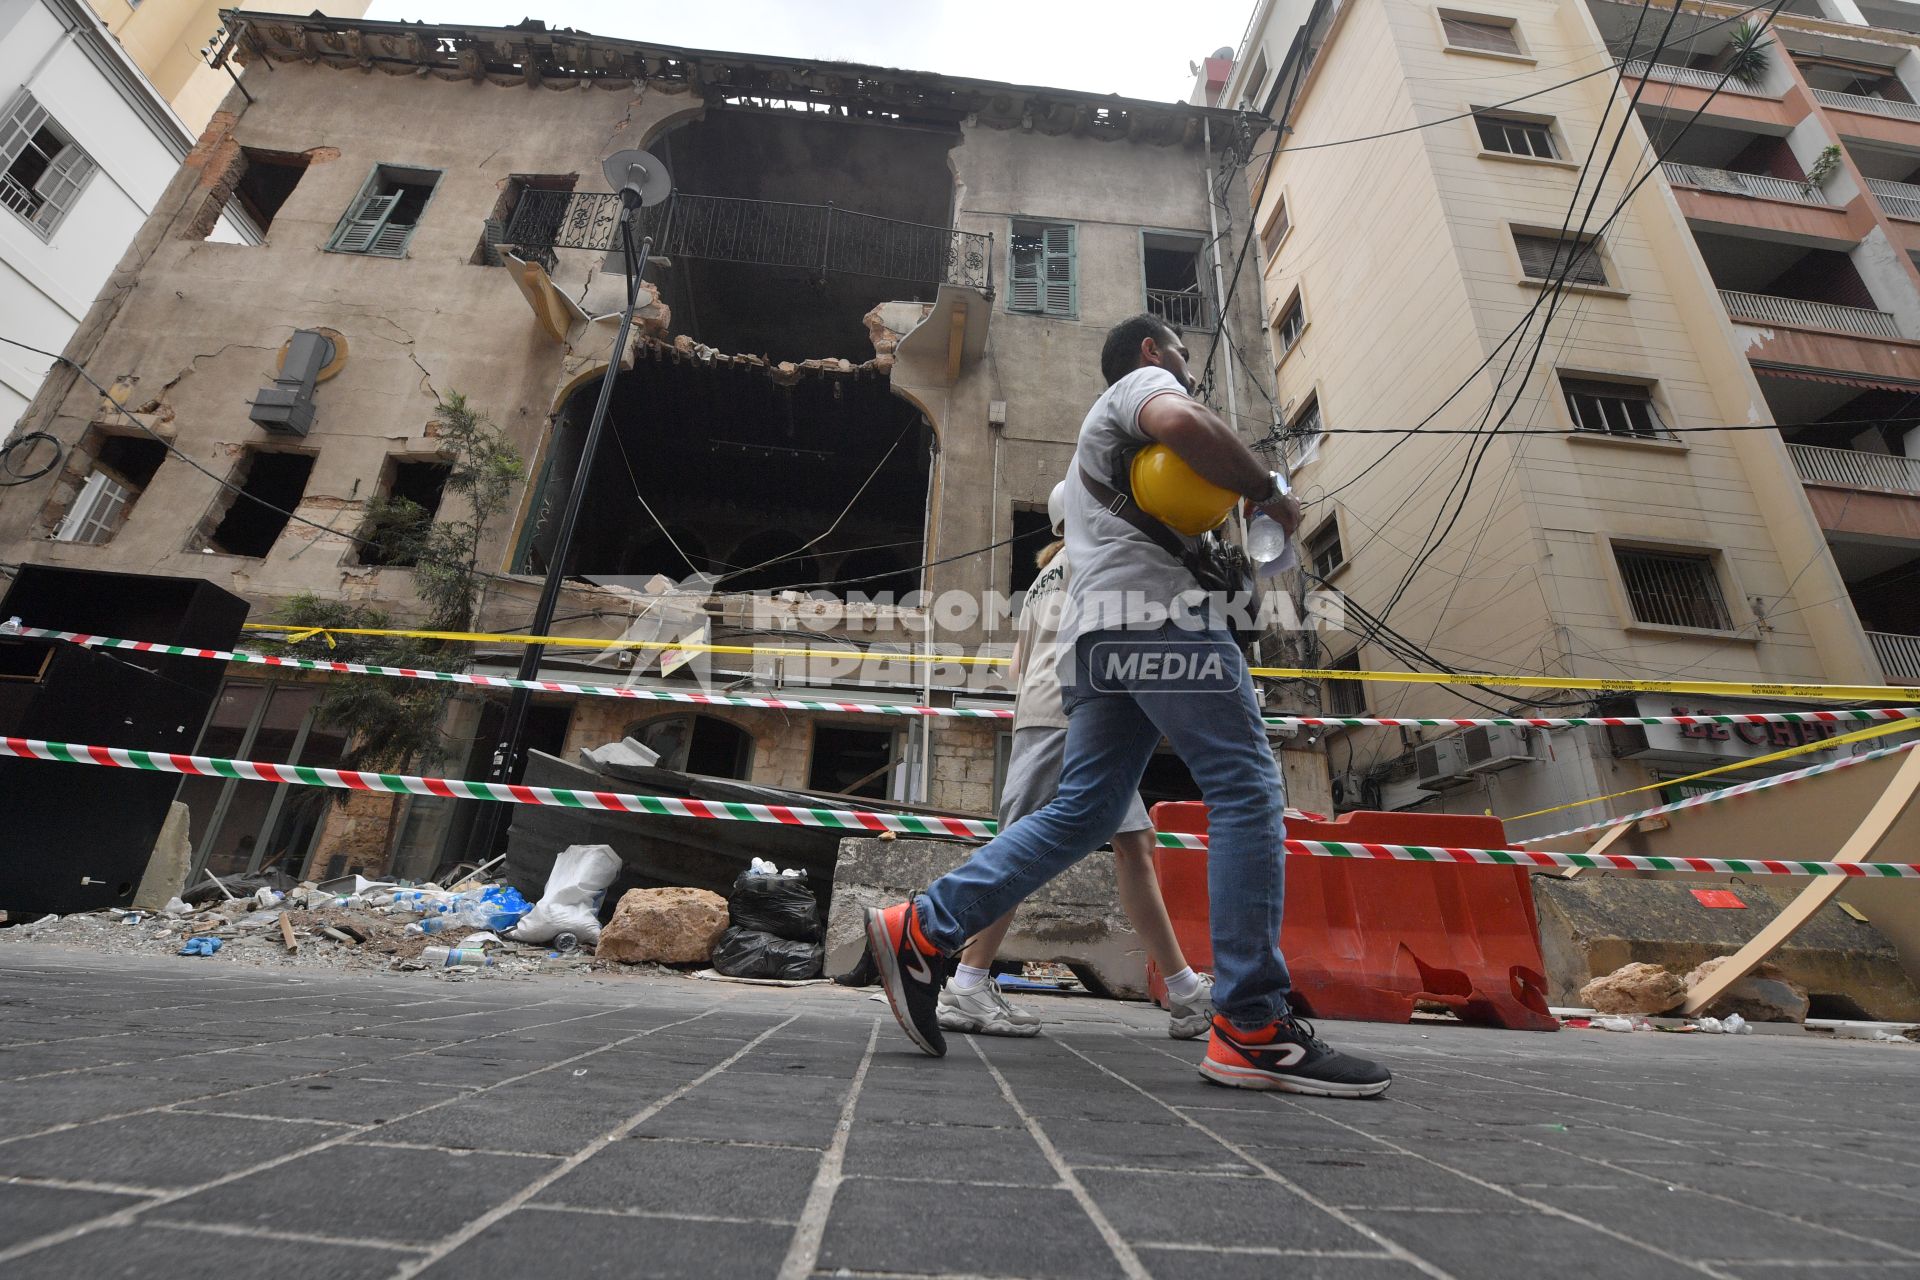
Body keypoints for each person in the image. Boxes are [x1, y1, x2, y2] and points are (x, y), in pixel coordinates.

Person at [865, 314, 1390, 1098]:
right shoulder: (1145, 387)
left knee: (1083, 812)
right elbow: (1180, 419)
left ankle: (926, 925)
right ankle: (1252, 1025)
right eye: (1182, 354)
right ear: (1151, 352)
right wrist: (1268, 491)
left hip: (1098, 641)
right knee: (1246, 788)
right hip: (1160, 624)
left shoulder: (1089, 470)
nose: (1188, 371)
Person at [937, 480, 1217, 1041]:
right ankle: (965, 984)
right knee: (1020, 847)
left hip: (1060, 712)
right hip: (1074, 713)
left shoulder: (1042, 578)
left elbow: (1017, 667)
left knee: (1134, 846)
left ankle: (1185, 991)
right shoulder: (1095, 558)